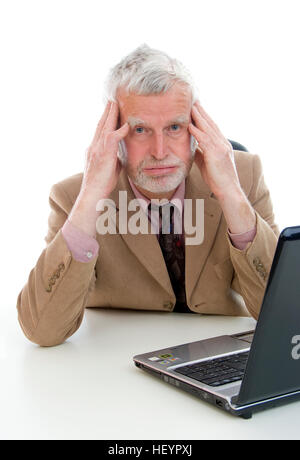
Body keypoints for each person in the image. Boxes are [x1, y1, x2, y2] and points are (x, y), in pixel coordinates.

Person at [17, 44, 279, 347]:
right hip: (118, 367)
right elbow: (42, 331)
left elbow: (284, 313)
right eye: (140, 129)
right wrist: (90, 197)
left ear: (196, 127)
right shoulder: (73, 198)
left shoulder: (243, 176)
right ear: (112, 132)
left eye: (175, 127)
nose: (159, 151)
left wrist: (231, 195)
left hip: (221, 357)